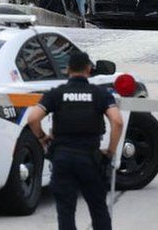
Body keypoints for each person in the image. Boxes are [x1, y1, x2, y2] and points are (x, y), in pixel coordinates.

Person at [27, 50, 124, 230]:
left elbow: (33, 118)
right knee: (98, 209)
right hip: (89, 159)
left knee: (65, 211)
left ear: (68, 69)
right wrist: (110, 152)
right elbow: (117, 122)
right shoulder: (99, 94)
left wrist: (42, 138)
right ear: (88, 69)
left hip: (62, 159)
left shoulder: (56, 94)